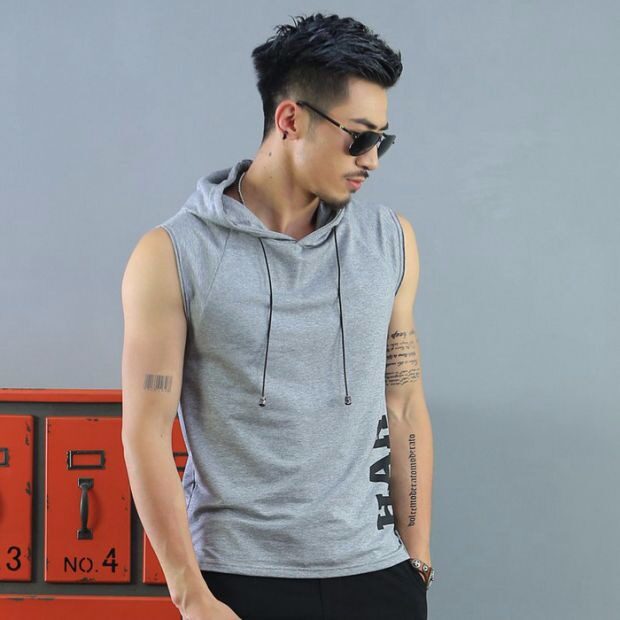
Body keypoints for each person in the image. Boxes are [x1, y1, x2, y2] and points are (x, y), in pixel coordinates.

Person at [121, 12, 434, 620]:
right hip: (238, 581)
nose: (372, 159)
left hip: (376, 575)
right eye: (358, 138)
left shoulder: (390, 242)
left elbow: (404, 403)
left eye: (383, 141)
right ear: (290, 119)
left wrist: (416, 562)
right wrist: (191, 595)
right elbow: (146, 431)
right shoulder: (173, 254)